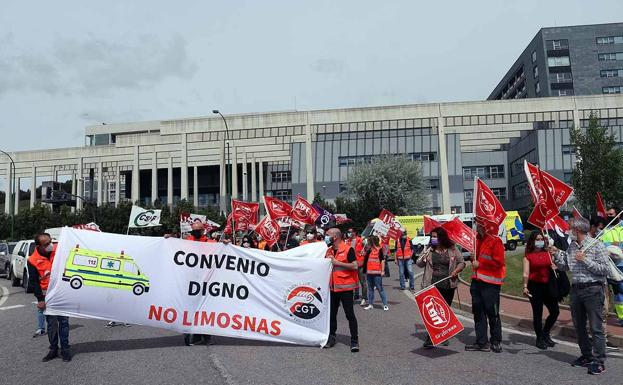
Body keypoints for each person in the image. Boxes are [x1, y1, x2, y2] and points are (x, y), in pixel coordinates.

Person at [550, 217, 609, 375]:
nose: (568, 230)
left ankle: (599, 360)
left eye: (570, 228)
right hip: (576, 290)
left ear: (577, 229)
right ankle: (586, 355)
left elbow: (605, 270)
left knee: (596, 327)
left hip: (593, 289)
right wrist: (556, 255)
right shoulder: (572, 247)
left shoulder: (596, 245)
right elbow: (566, 266)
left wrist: (586, 260)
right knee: (579, 326)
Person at [416, 227, 465, 348]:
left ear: (441, 238)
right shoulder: (429, 249)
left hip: (448, 284)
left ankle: (444, 335)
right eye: (432, 236)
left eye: (435, 236)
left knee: (444, 311)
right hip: (431, 284)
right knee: (432, 311)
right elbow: (419, 264)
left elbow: (462, 262)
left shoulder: (452, 249)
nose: (433, 239)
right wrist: (423, 257)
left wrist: (456, 270)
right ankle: (430, 337)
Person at [27, 233, 72, 362]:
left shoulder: (59, 249)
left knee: (64, 322)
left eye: (50, 241)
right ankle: (53, 349)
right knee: (52, 324)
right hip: (48, 295)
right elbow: (34, 282)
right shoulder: (32, 260)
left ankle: (65, 349)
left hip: (62, 292)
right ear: (38, 246)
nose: (50, 245)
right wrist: (40, 299)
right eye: (46, 244)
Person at [465, 223, 505, 353]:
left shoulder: (495, 241)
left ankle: (496, 341)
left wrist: (480, 264)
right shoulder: (477, 239)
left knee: (493, 314)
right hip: (477, 282)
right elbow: (477, 262)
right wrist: (473, 259)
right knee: (478, 313)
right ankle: (482, 342)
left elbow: (499, 263)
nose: (477, 225)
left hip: (491, 284)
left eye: (480, 223)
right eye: (477, 222)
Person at [522, 231, 560, 350]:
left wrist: (555, 264)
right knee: (537, 314)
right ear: (532, 242)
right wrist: (525, 286)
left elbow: (557, 264)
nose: (540, 241)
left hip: (548, 285)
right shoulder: (528, 256)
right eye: (537, 239)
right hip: (535, 286)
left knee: (555, 312)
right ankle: (539, 338)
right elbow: (526, 272)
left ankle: (545, 333)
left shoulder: (548, 253)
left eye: (541, 239)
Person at [324, 228, 359, 352]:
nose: (325, 237)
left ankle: (354, 340)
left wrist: (337, 262)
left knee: (350, 315)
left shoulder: (348, 249)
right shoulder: (328, 250)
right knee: (332, 315)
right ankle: (331, 337)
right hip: (332, 288)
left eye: (327, 235)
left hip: (345, 288)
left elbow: (355, 265)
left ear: (335, 236)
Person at [179, 222, 213, 346]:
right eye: (194, 230)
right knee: (189, 308)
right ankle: (190, 334)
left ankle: (205, 335)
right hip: (189, 281)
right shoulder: (186, 242)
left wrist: (226, 244)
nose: (196, 232)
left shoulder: (210, 243)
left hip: (205, 282)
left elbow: (222, 252)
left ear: (203, 230)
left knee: (205, 308)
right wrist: (167, 239)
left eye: (198, 230)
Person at [363, 235, 388, 311]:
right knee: (370, 289)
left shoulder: (379, 249)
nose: (368, 242)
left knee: (380, 288)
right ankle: (370, 304)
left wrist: (383, 271)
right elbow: (366, 261)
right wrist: (365, 271)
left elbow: (382, 260)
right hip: (369, 273)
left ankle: (385, 304)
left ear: (372, 241)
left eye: (369, 241)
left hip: (377, 273)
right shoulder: (369, 250)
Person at [348, 229, 367, 305]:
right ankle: (352, 297)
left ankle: (364, 298)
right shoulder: (348, 241)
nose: (349, 233)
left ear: (354, 232)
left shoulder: (361, 240)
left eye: (350, 231)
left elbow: (367, 249)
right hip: (351, 264)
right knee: (351, 282)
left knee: (363, 282)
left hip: (360, 264)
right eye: (348, 232)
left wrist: (364, 251)